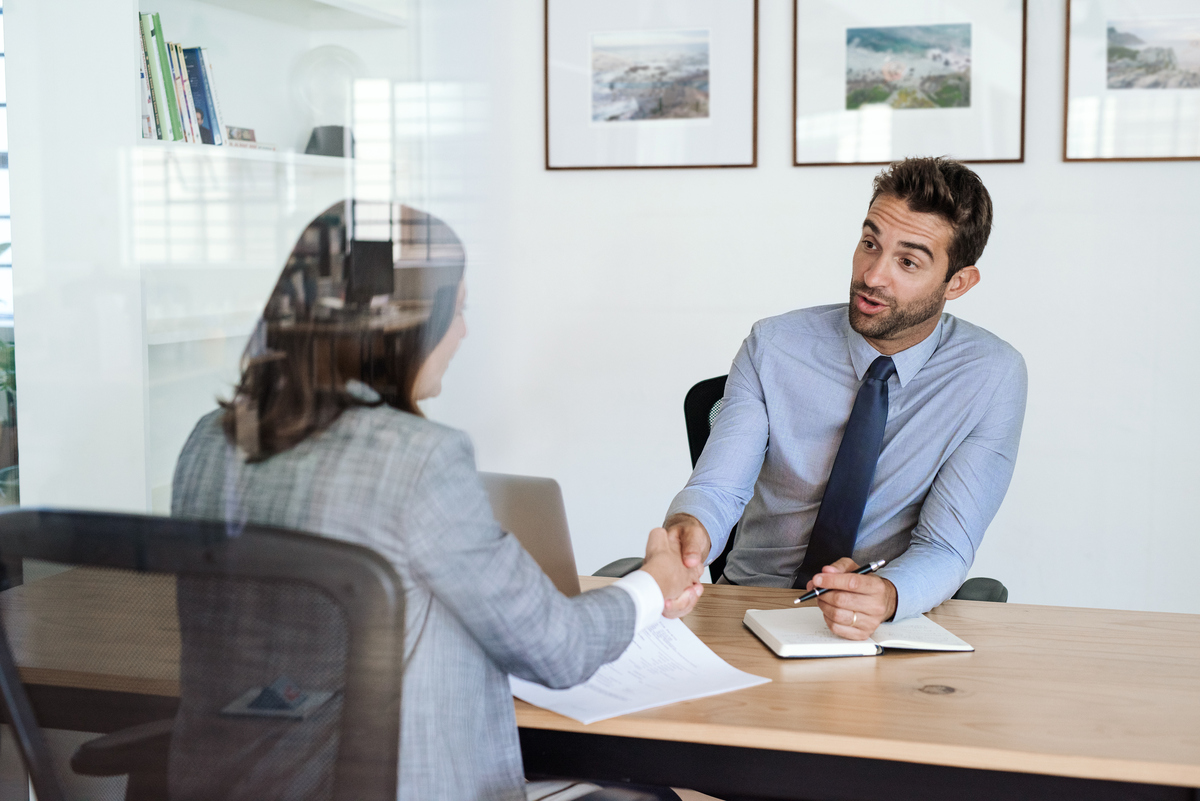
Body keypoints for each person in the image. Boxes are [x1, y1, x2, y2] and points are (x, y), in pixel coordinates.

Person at [171, 200, 704, 801]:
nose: (464, 330)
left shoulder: (207, 442)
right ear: (407, 325)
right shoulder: (417, 457)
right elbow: (560, 650)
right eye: (459, 308)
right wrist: (653, 584)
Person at [663, 157, 1028, 640]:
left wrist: (890, 593)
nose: (873, 275)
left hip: (876, 621)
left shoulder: (990, 376)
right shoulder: (774, 346)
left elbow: (945, 546)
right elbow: (718, 490)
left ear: (957, 282)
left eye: (908, 261)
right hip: (750, 604)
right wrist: (690, 534)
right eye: (870, 243)